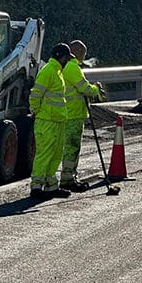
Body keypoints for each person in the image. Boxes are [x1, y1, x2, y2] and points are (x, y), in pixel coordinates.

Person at [28, 43, 73, 199]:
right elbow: (35, 95)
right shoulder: (48, 71)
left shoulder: (57, 71)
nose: (68, 61)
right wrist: (37, 111)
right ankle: (36, 187)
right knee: (45, 153)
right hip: (47, 120)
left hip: (57, 120)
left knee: (56, 154)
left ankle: (51, 186)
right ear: (61, 57)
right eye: (67, 57)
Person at [60, 40, 105, 192]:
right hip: (74, 114)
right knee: (72, 147)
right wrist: (96, 88)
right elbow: (84, 88)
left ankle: (67, 177)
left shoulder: (62, 66)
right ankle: (68, 178)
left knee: (64, 147)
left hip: (65, 113)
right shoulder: (73, 67)